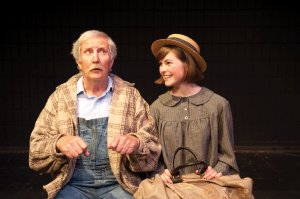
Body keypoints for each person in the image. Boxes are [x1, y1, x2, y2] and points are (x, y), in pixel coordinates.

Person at [29, 30, 161, 199]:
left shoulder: (131, 97)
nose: (95, 59)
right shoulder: (60, 98)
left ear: (111, 61)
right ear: (79, 61)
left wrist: (136, 142)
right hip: (72, 185)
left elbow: (153, 149)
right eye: (88, 52)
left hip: (119, 184)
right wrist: (59, 143)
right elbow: (35, 152)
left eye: (102, 51)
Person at [149, 34, 239, 184]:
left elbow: (227, 156)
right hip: (172, 187)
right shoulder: (157, 108)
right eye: (160, 64)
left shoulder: (218, 105)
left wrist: (217, 169)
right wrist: (159, 172)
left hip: (207, 186)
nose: (162, 69)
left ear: (187, 64)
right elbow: (152, 156)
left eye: (168, 63)